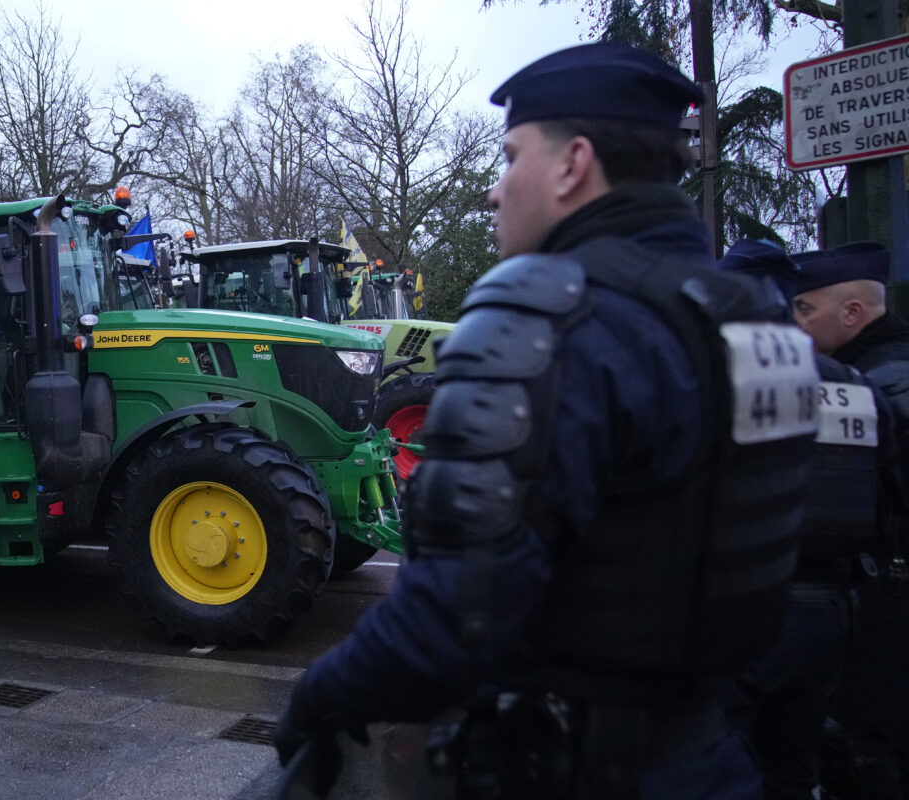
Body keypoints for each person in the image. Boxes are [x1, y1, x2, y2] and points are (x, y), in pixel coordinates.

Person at [275, 42, 822, 799]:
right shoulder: (754, 319)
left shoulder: (546, 322)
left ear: (572, 166)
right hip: (713, 755)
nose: (496, 192)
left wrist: (320, 696)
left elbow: (450, 621)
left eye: (511, 157)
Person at [715, 239, 900, 800]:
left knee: (717, 769)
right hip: (830, 616)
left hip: (741, 610)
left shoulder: (713, 376)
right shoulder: (857, 385)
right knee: (793, 773)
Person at [792, 243, 909, 799]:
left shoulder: (884, 381)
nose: (794, 324)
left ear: (853, 313)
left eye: (804, 310)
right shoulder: (873, 373)